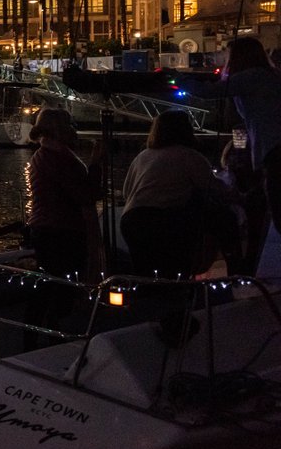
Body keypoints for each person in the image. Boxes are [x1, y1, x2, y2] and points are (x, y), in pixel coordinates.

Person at [120, 110, 240, 277]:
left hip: (132, 221)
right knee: (225, 218)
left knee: (145, 273)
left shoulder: (142, 156)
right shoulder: (189, 155)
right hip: (164, 221)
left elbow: (127, 193)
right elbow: (215, 189)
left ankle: (145, 298)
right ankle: (237, 270)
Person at [25, 108, 103, 343]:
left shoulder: (49, 155)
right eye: (70, 125)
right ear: (59, 129)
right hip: (60, 230)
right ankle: (52, 338)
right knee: (61, 288)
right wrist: (97, 164)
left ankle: (40, 335)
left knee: (53, 285)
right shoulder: (56, 158)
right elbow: (85, 194)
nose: (74, 130)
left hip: (50, 229)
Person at [222, 37, 281, 239]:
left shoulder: (249, 78)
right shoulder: (269, 75)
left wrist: (177, 79)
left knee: (276, 204)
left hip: (272, 148)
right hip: (270, 146)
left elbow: (212, 91)